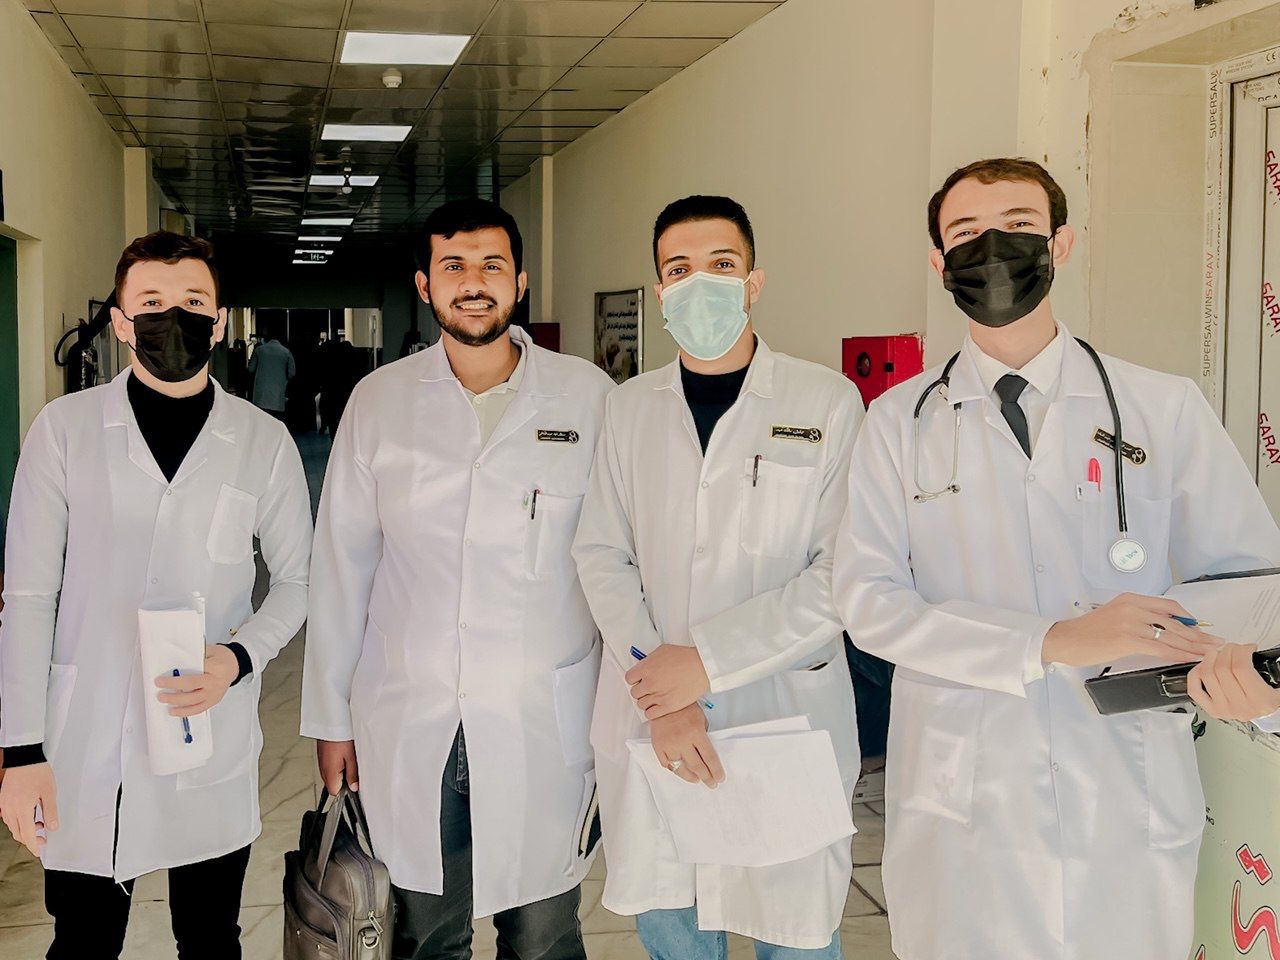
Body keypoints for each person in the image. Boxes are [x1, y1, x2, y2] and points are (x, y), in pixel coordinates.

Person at [831, 157, 1280, 960]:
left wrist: (1252, 679)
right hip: (964, 796)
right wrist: (1049, 641)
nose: (993, 248)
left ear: (1060, 244)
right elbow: (869, 603)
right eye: (966, 233)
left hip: (1125, 789)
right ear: (938, 262)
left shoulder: (1162, 406)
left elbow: (1247, 583)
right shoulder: (897, 423)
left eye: (1018, 226)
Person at [301, 198, 614, 960]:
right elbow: (342, 566)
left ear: (520, 282)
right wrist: (330, 719)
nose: (474, 283)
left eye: (491, 266)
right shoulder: (379, 402)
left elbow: (617, 558)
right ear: (425, 285)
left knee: (543, 936)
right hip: (412, 714)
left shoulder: (589, 397)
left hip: (542, 714)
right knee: (426, 935)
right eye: (454, 267)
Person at [0, 230, 312, 960]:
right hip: (87, 737)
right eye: (151, 303)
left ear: (220, 321)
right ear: (119, 321)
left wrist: (239, 658)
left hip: (204, 727)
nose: (174, 319)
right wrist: (21, 751)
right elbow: (30, 598)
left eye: (193, 303)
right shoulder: (65, 432)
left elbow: (299, 582)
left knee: (210, 937)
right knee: (83, 940)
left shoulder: (262, 441)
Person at [573, 195, 862, 959]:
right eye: (679, 270)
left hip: (784, 713)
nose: (699, 283)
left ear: (754, 282)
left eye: (721, 265)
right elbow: (601, 555)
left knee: (795, 933)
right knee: (676, 930)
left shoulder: (826, 402)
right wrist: (665, 695)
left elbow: (843, 574)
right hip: (657, 724)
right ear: (660, 291)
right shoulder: (629, 409)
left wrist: (707, 663)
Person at [247, 322, 296, 421]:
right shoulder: (286, 352)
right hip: (278, 395)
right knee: (276, 421)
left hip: (260, 395)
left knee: (261, 421)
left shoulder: (259, 350)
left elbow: (251, 369)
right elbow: (292, 373)